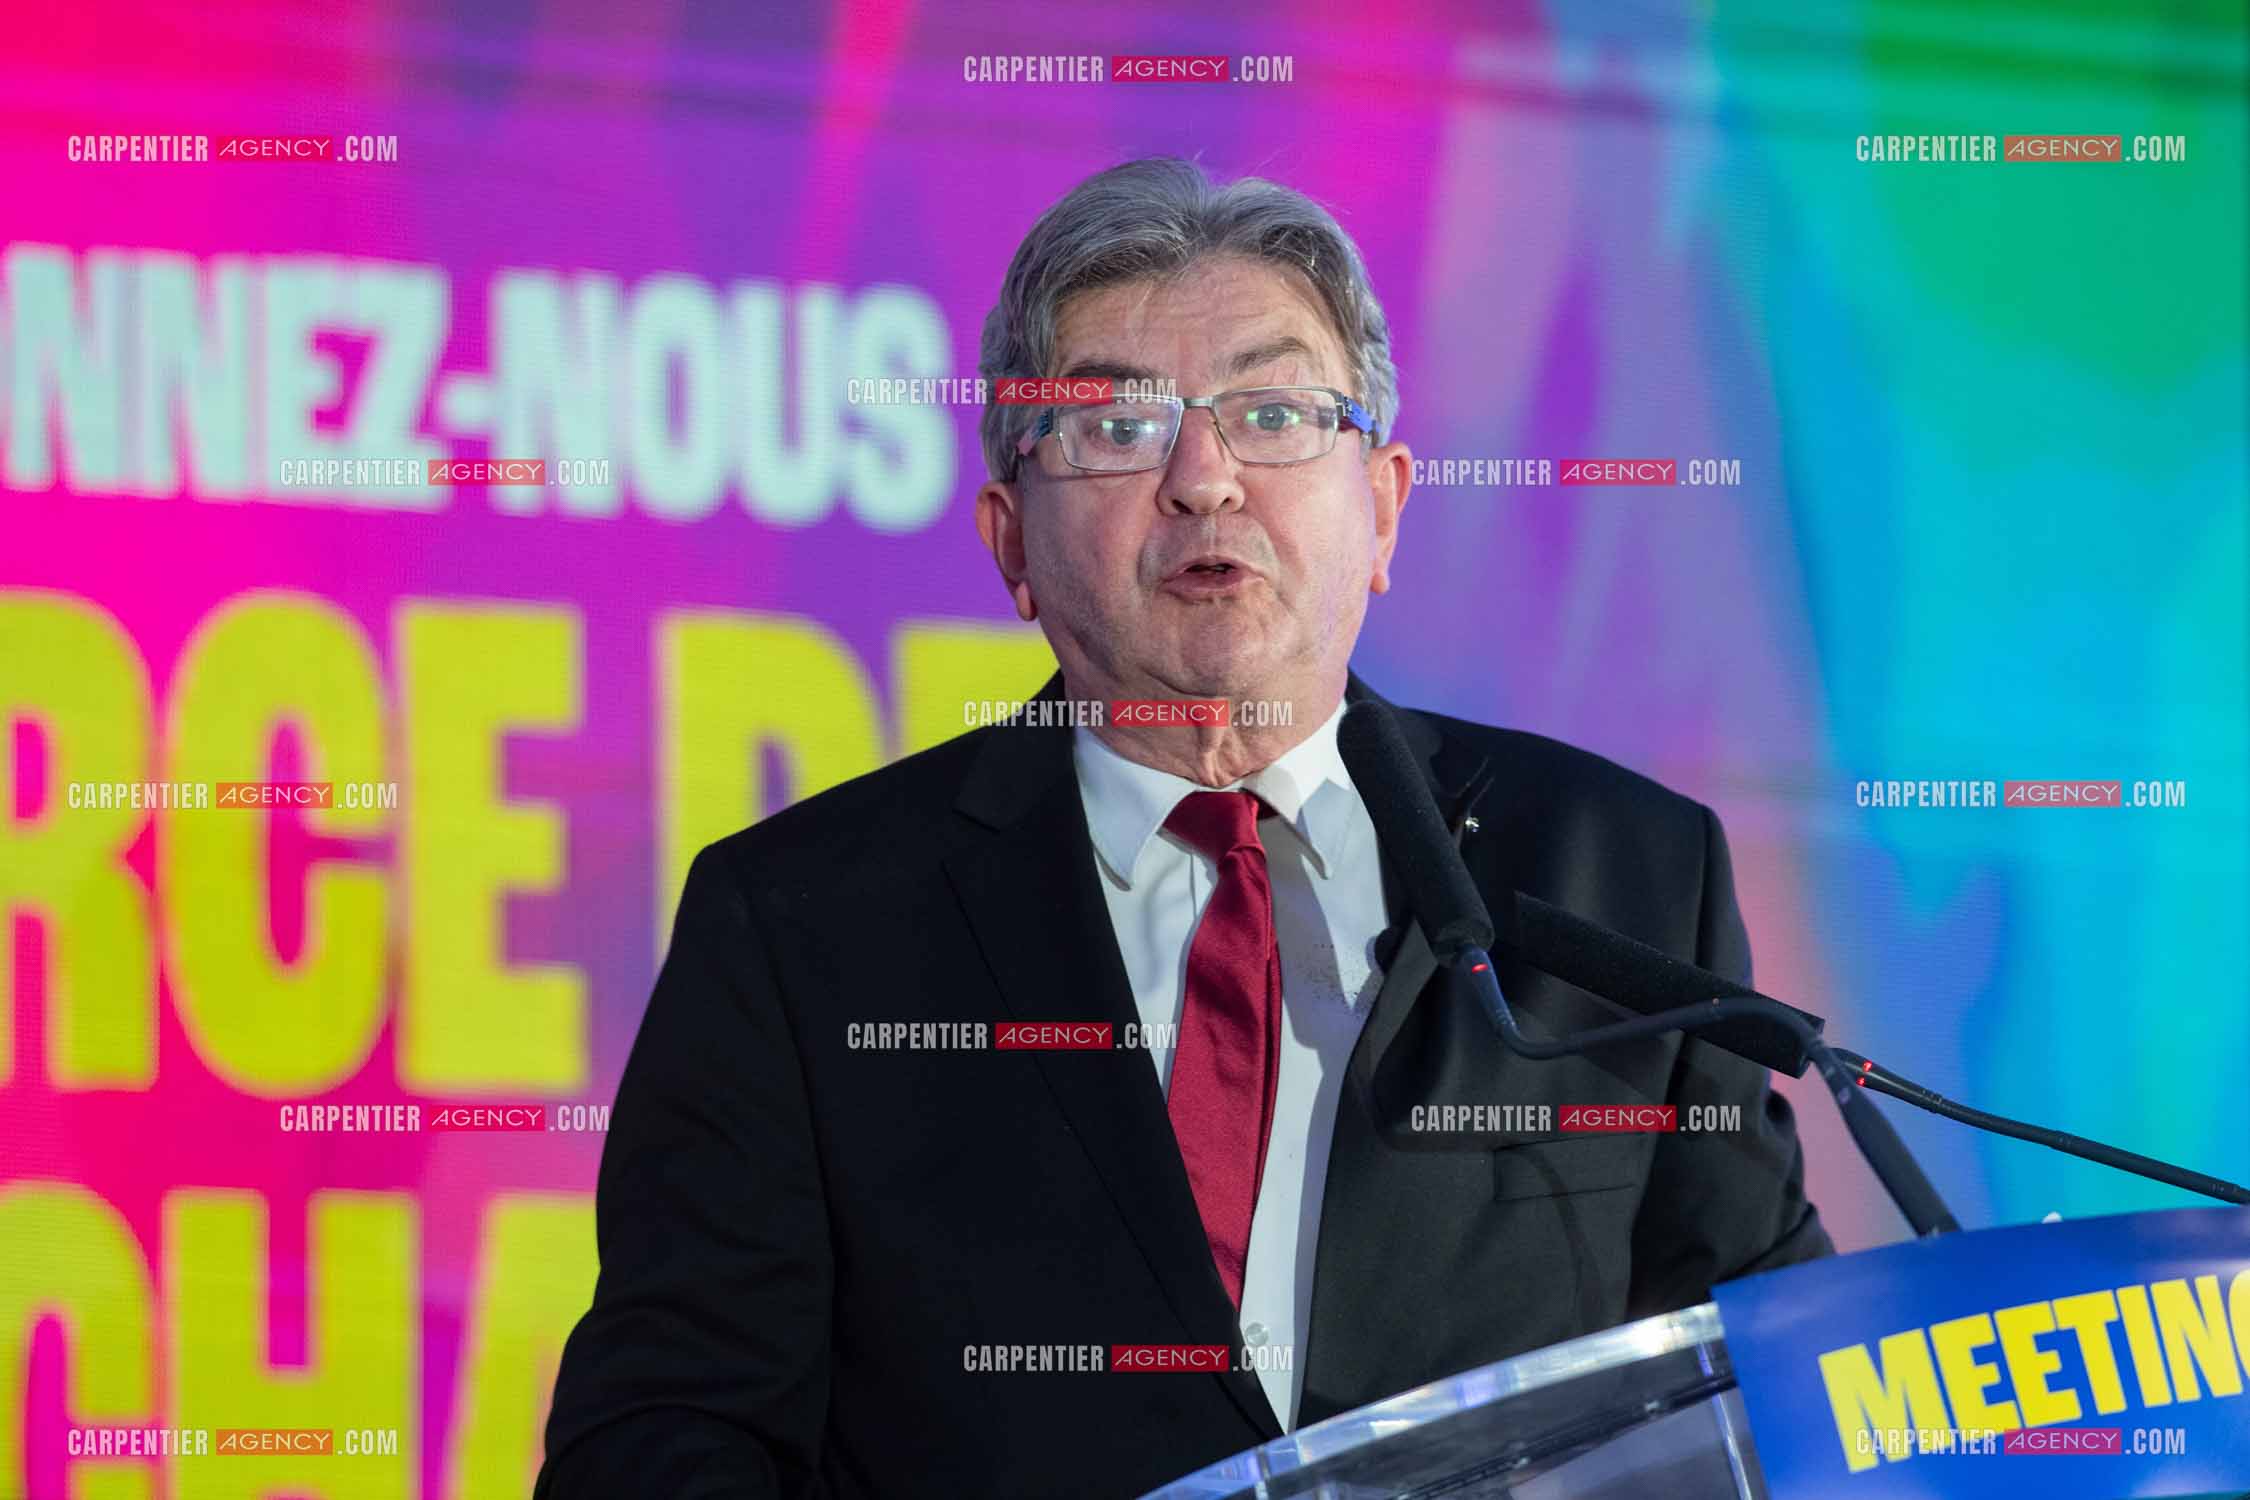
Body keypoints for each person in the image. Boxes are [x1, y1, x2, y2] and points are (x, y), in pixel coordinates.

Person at [537, 156, 1829, 1500]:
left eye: (1273, 413)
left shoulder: (1625, 877)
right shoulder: (805, 925)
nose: (1204, 480)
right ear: (1011, 543)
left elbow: (1780, 1384)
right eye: (1114, 426)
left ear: (1384, 505)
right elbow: (662, 1443)